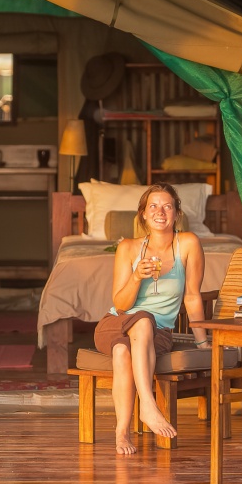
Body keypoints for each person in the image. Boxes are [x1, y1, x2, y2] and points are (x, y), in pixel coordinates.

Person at [93, 183, 209, 455]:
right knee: (141, 319)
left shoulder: (189, 243)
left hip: (158, 332)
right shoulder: (128, 248)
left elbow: (192, 296)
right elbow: (121, 304)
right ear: (143, 214)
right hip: (116, 323)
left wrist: (203, 342)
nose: (160, 212)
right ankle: (147, 403)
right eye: (153, 206)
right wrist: (136, 277)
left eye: (167, 206)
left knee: (123, 351)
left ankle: (122, 433)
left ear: (177, 213)